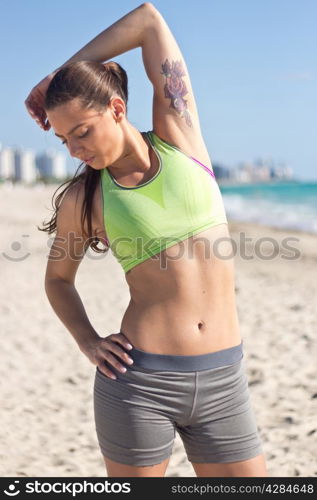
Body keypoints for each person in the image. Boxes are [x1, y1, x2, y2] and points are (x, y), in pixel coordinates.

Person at [25, 2, 267, 477]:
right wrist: (88, 341)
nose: (75, 149)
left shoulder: (181, 137)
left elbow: (148, 20)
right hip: (139, 387)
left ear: (116, 109)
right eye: (64, 141)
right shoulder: (86, 197)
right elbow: (57, 280)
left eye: (82, 132)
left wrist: (56, 75)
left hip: (225, 382)